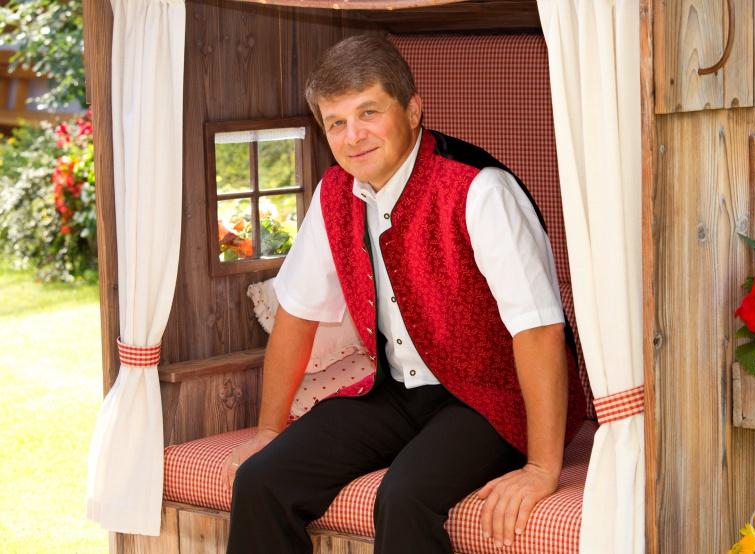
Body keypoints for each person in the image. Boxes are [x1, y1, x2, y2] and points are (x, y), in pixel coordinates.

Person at [222, 34, 585, 553]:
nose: (353, 136)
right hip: (393, 392)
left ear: (413, 110)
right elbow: (297, 315)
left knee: (404, 495)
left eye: (369, 112)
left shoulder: (479, 189)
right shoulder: (334, 192)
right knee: (261, 480)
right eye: (336, 123)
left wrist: (542, 468)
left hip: (493, 398)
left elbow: (540, 330)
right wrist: (268, 431)